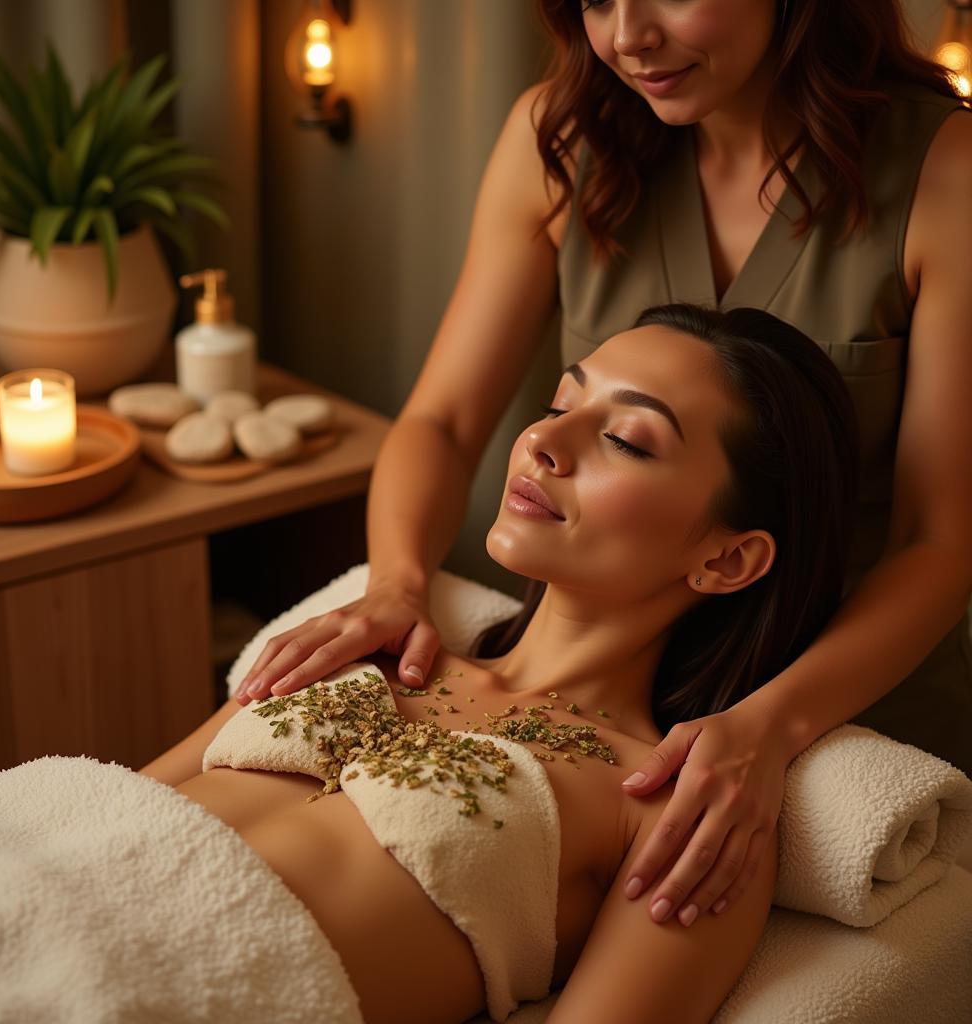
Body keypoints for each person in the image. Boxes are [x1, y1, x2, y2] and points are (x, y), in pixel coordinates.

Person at [233, 0, 972, 935]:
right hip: (612, 677)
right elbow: (445, 420)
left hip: (842, 704)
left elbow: (940, 540)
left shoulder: (945, 173)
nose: (627, 37)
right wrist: (398, 583)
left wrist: (771, 727)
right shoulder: (564, 138)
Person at [141, 304, 860, 1022]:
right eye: (559, 403)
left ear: (728, 559)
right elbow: (120, 797)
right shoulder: (363, 648)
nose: (543, 439)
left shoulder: (674, 808)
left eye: (624, 439)